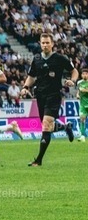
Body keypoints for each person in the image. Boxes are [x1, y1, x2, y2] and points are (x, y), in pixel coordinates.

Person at [20, 33, 77, 166]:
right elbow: (31, 76)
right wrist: (25, 87)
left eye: (47, 43)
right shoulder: (37, 59)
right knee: (47, 127)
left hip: (54, 95)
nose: (45, 45)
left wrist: (72, 80)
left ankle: (38, 160)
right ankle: (65, 127)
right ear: (40, 44)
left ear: (52, 44)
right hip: (40, 96)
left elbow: (74, 71)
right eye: (43, 43)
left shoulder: (60, 58)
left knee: (46, 124)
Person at [75, 67, 88, 141]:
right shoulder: (79, 82)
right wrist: (77, 95)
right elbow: (78, 91)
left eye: (86, 74)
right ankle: (82, 136)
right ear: (81, 75)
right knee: (82, 119)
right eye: (83, 74)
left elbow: (83, 90)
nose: (85, 75)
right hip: (83, 104)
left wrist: (84, 90)